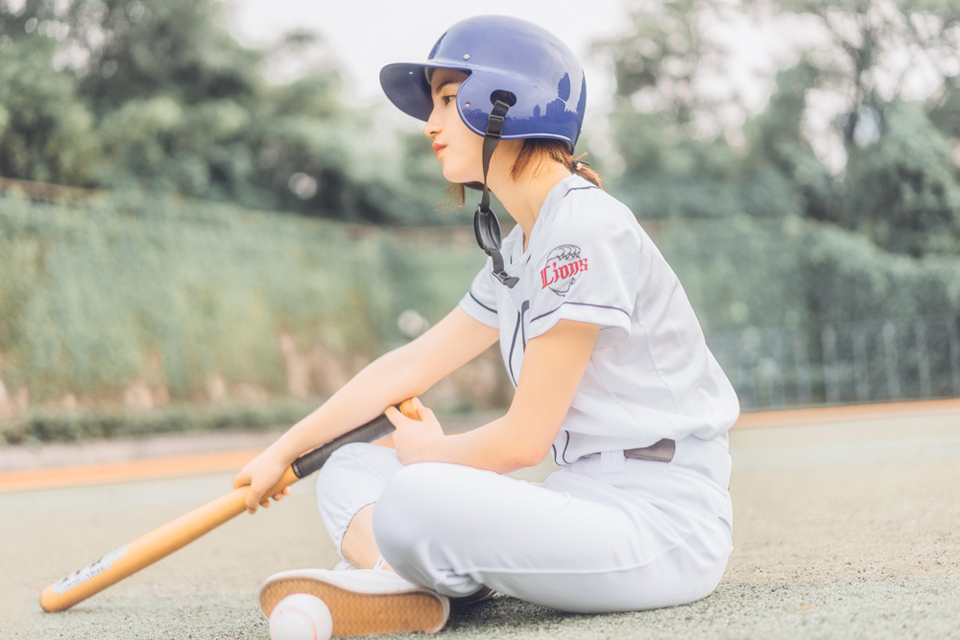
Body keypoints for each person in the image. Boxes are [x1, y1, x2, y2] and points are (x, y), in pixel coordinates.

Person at [235, 14, 739, 637]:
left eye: (449, 99)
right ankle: (409, 578)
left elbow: (524, 442)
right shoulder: (521, 244)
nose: (430, 124)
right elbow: (407, 367)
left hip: (663, 522)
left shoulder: (584, 227)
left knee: (413, 496)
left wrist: (432, 458)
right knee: (349, 469)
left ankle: (395, 572)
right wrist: (283, 453)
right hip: (581, 497)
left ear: (507, 102)